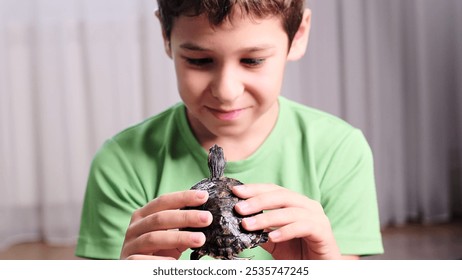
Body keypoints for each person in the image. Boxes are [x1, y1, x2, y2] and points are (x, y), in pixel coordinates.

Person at [75, 0, 383, 260]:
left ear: (298, 34)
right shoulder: (121, 162)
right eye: (199, 60)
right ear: (166, 37)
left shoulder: (339, 150)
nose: (226, 91)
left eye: (252, 60)